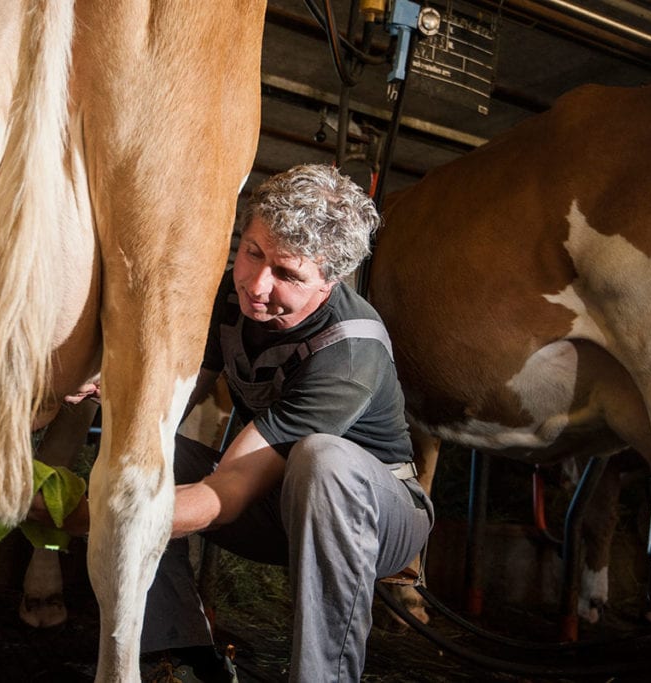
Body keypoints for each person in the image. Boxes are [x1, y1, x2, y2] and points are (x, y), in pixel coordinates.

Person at [34, 163, 433, 682]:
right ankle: (178, 656)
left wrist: (90, 518)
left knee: (324, 460)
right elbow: (173, 396)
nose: (257, 284)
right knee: (155, 456)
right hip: (279, 502)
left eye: (288, 274)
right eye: (252, 252)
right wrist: (105, 383)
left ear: (329, 280)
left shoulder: (349, 350)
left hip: (378, 516)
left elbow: (231, 487)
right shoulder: (232, 294)